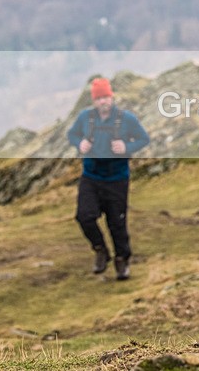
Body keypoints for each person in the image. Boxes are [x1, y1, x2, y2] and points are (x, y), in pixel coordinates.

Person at [67, 77, 149, 280]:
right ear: (93, 101)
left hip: (117, 179)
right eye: (98, 98)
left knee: (117, 223)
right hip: (91, 177)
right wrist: (80, 144)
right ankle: (100, 250)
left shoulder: (126, 118)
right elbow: (72, 135)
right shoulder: (85, 117)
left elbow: (143, 139)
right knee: (84, 216)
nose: (103, 102)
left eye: (105, 97)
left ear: (111, 97)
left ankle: (122, 260)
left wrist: (126, 148)